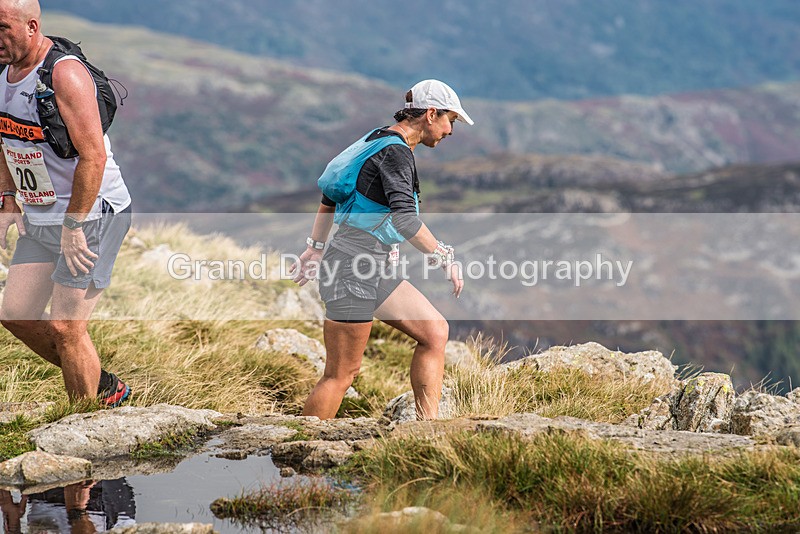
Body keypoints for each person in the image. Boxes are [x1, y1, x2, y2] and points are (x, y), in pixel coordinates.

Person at [292, 79, 473, 420]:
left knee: (435, 332)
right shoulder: (396, 153)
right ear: (430, 114)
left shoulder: (378, 139)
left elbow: (331, 193)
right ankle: (299, 444)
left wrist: (315, 248)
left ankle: (427, 428)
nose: (450, 130)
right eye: (450, 120)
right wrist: (444, 257)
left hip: (367, 265)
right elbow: (405, 220)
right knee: (341, 374)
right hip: (353, 268)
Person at [0, 0, 132, 406]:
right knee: (16, 314)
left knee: (66, 327)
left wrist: (74, 226)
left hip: (91, 213)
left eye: (2, 28)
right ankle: (104, 386)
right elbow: (4, 138)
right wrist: (8, 198)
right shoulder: (1, 72)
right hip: (41, 213)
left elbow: (94, 157)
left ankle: (83, 423)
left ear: (31, 27)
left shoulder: (64, 74)